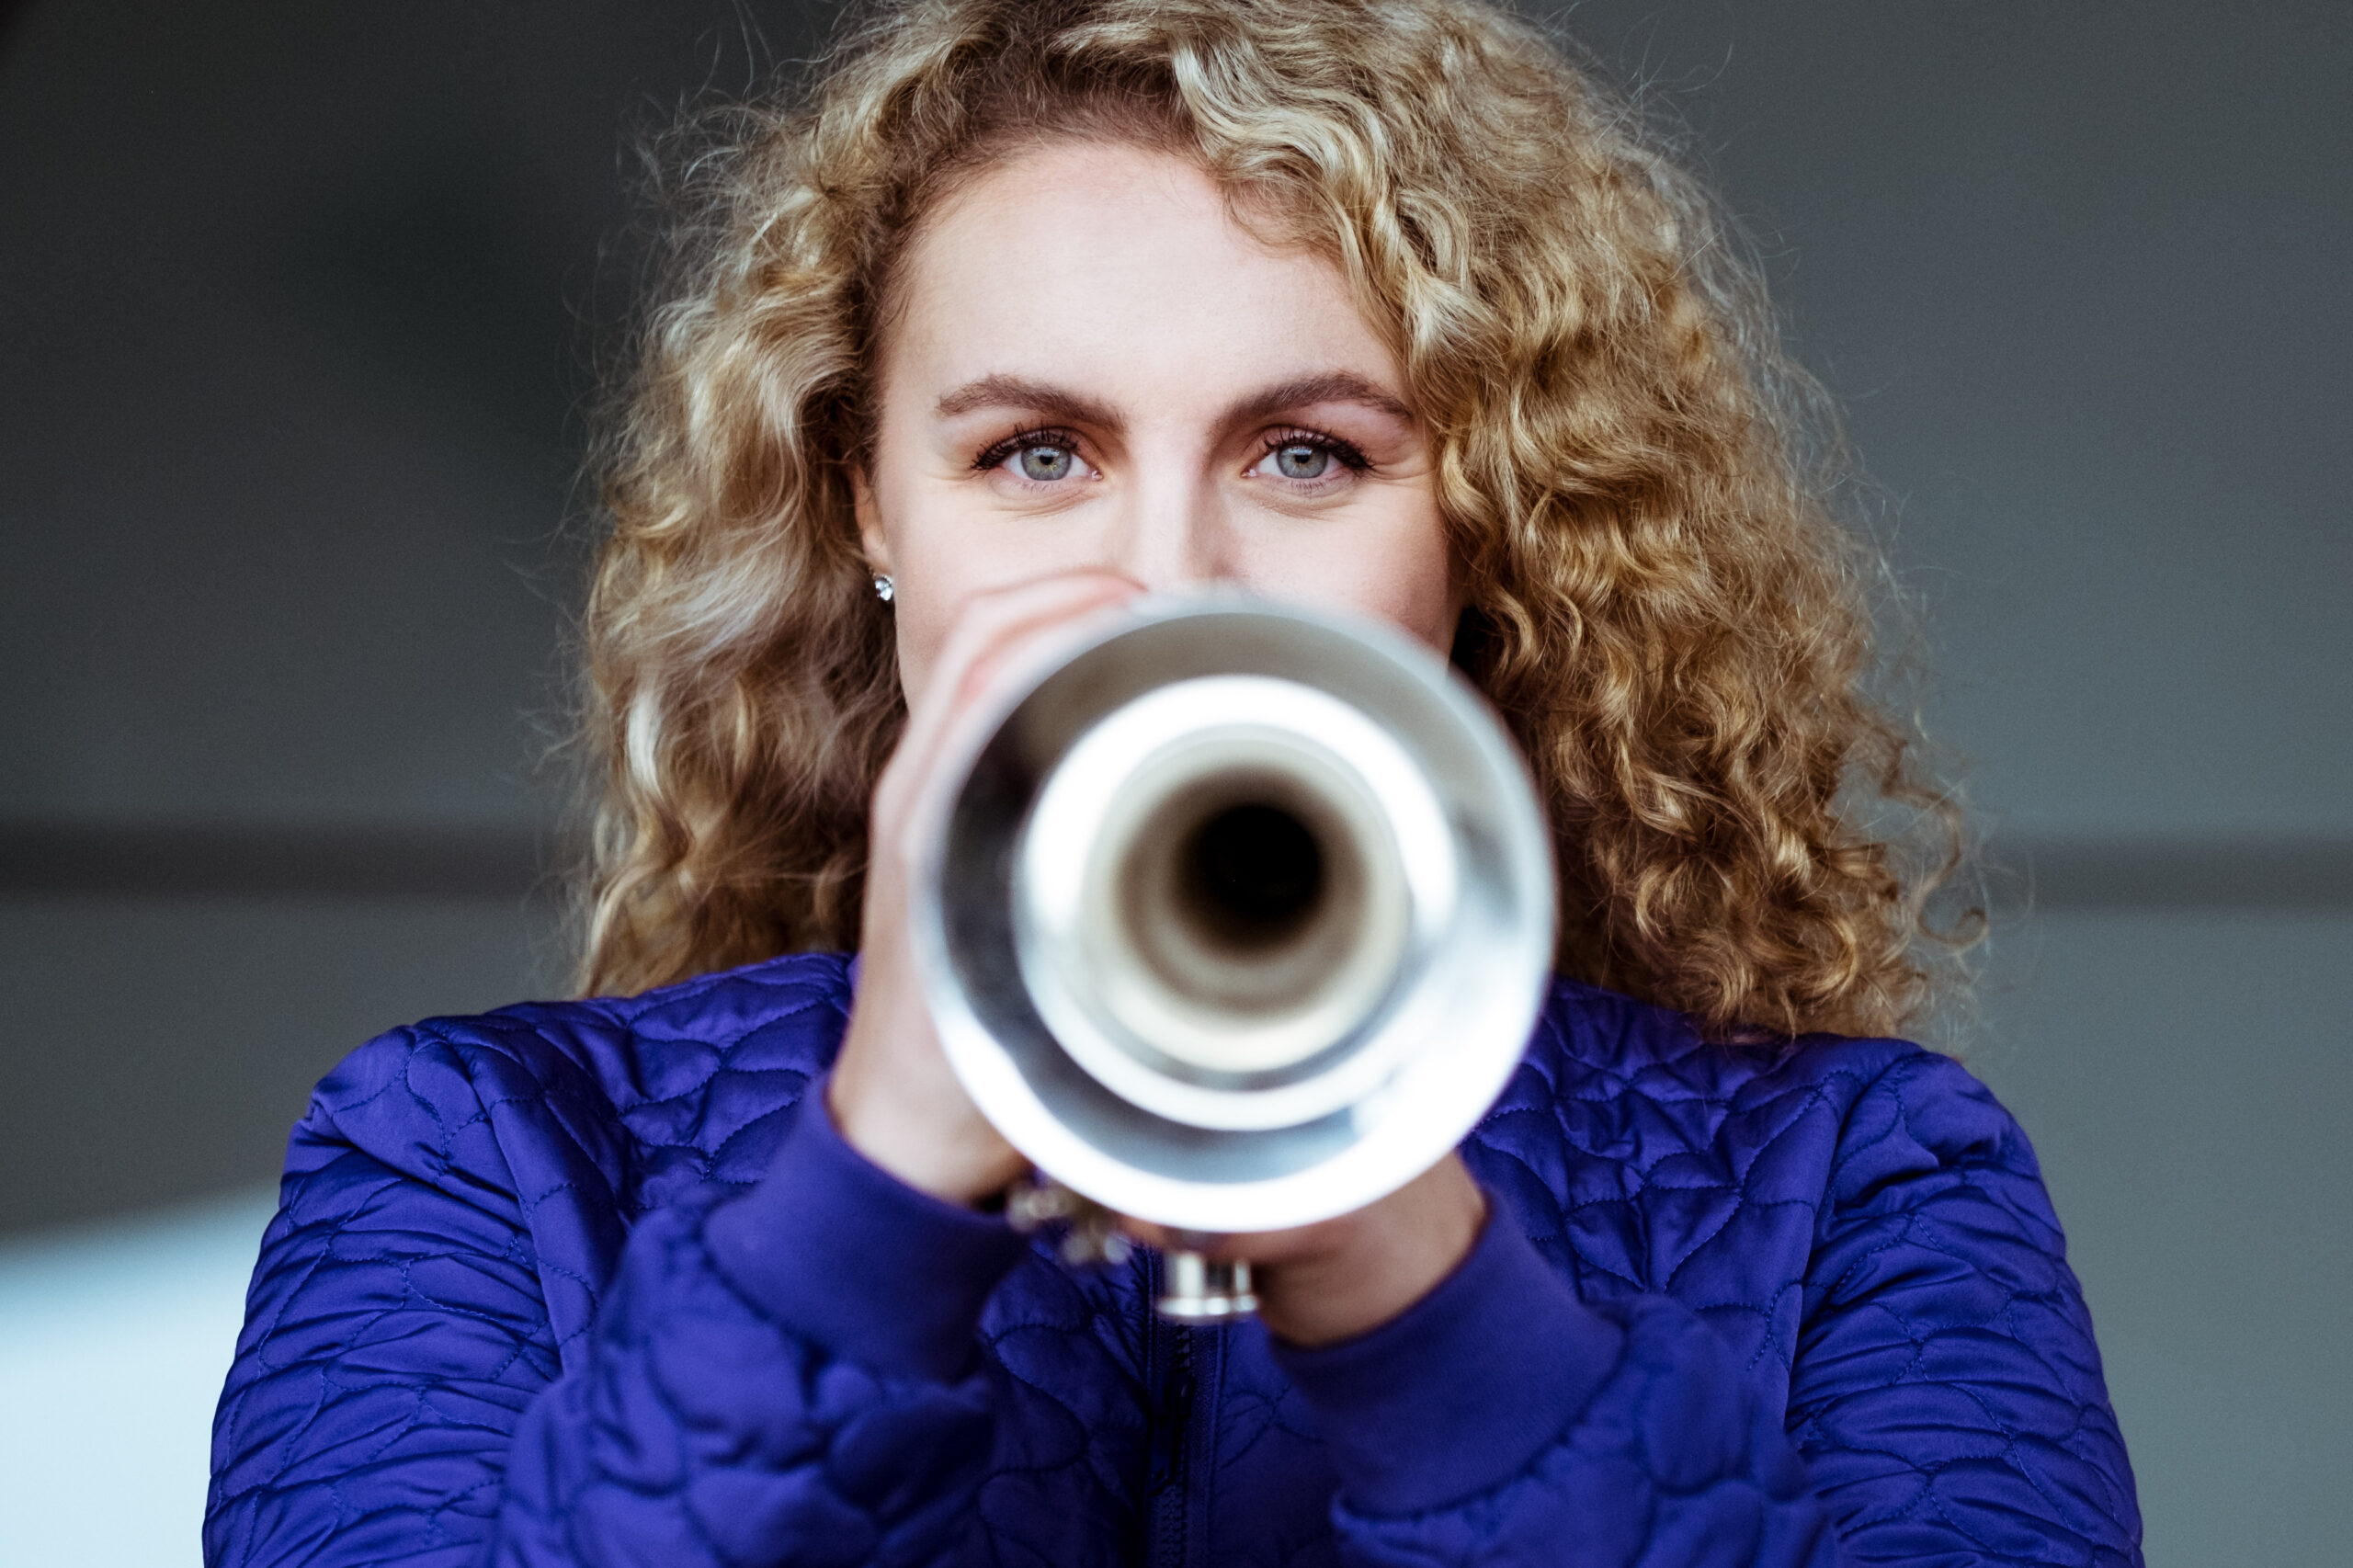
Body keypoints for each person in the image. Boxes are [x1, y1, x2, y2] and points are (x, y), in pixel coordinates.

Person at [205, 1, 2143, 1562]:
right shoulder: (469, 1156)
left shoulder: (1866, 1182)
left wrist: (1403, 1257)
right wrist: (872, 1179)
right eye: (1034, 453)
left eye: (1303, 455)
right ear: (870, 502)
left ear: (1474, 524)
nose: (1170, 582)